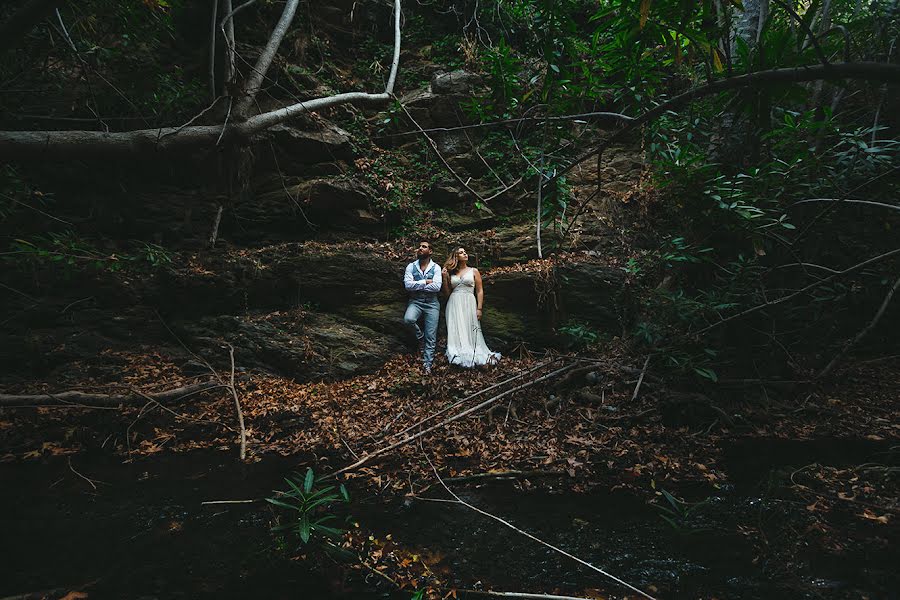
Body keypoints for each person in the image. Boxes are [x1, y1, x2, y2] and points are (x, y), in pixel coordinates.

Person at [441, 246, 500, 368]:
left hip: (469, 302)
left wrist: (479, 308)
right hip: (454, 303)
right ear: (456, 257)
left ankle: (474, 353)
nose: (465, 254)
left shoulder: (474, 271)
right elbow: (447, 294)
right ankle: (458, 354)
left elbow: (479, 291)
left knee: (470, 327)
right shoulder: (451, 273)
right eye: (461, 253)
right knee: (456, 328)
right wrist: (444, 278)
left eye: (465, 252)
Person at [403, 239, 442, 374]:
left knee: (431, 336)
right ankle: (420, 338)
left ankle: (427, 365)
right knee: (408, 320)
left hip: (432, 304)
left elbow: (437, 287)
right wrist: (425, 281)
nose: (420, 248)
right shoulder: (411, 266)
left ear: (430, 251)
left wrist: (417, 284)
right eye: (419, 246)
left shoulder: (436, 267)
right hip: (416, 301)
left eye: (424, 247)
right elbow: (408, 286)